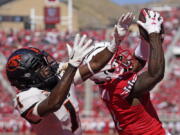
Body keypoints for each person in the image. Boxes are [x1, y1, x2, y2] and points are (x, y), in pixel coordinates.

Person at [5, 12, 133, 135]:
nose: (46, 68)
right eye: (39, 66)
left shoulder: (59, 77)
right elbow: (53, 103)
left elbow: (94, 65)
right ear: (26, 78)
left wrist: (115, 42)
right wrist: (71, 66)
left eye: (44, 63)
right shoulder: (24, 98)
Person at [74, 9, 167, 134]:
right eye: (115, 58)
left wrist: (144, 41)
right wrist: (153, 34)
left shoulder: (109, 82)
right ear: (106, 71)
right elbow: (156, 74)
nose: (121, 57)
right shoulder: (119, 88)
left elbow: (138, 60)